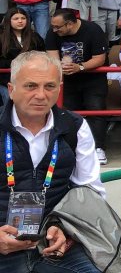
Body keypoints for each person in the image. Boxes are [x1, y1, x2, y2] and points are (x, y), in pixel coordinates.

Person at [0, 51, 104, 273]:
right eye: (30, 86)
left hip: (53, 244)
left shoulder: (75, 127)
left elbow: (90, 193)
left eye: (49, 86)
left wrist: (66, 230)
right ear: (11, 90)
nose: (41, 95)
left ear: (59, 88)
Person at [45, 9, 109, 166]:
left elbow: (100, 58)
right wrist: (61, 66)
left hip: (93, 79)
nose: (54, 30)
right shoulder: (53, 33)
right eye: (53, 26)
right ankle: (70, 148)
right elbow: (52, 56)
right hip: (68, 81)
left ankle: (98, 148)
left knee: (96, 111)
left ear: (70, 24)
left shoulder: (93, 30)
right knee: (68, 114)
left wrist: (79, 67)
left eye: (58, 27)